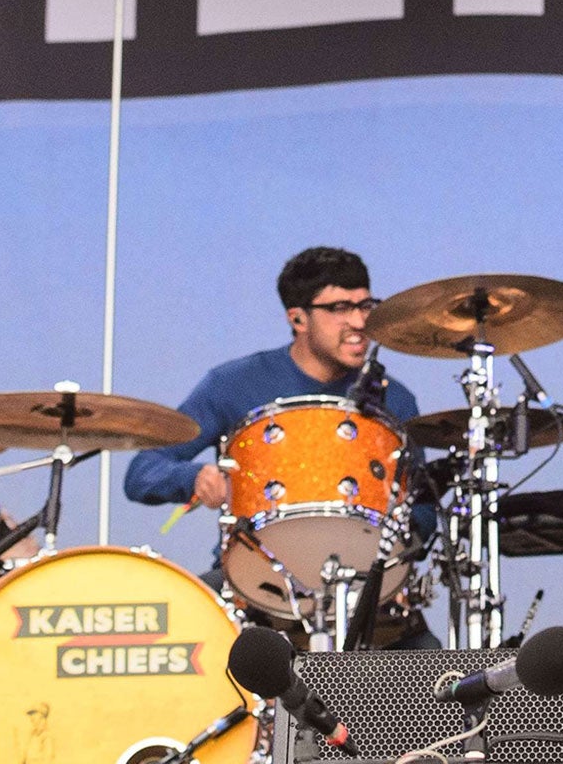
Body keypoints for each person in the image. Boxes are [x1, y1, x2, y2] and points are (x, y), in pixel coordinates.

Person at [123, 245, 438, 647]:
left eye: (366, 305)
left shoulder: (395, 400)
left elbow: (423, 507)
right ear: (297, 318)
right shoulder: (234, 383)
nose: (360, 321)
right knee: (185, 649)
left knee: (438, 691)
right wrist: (194, 477)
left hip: (367, 589)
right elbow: (141, 472)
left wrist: (405, 537)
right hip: (258, 582)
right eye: (340, 308)